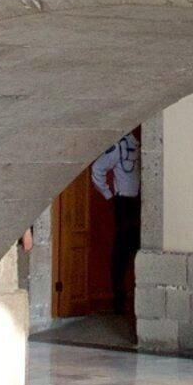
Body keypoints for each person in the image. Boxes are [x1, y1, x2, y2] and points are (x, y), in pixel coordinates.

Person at [87, 129, 142, 312]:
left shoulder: (138, 144)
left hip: (139, 201)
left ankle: (135, 295)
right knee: (122, 251)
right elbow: (97, 169)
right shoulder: (119, 145)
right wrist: (108, 195)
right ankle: (118, 297)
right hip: (124, 202)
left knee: (137, 248)